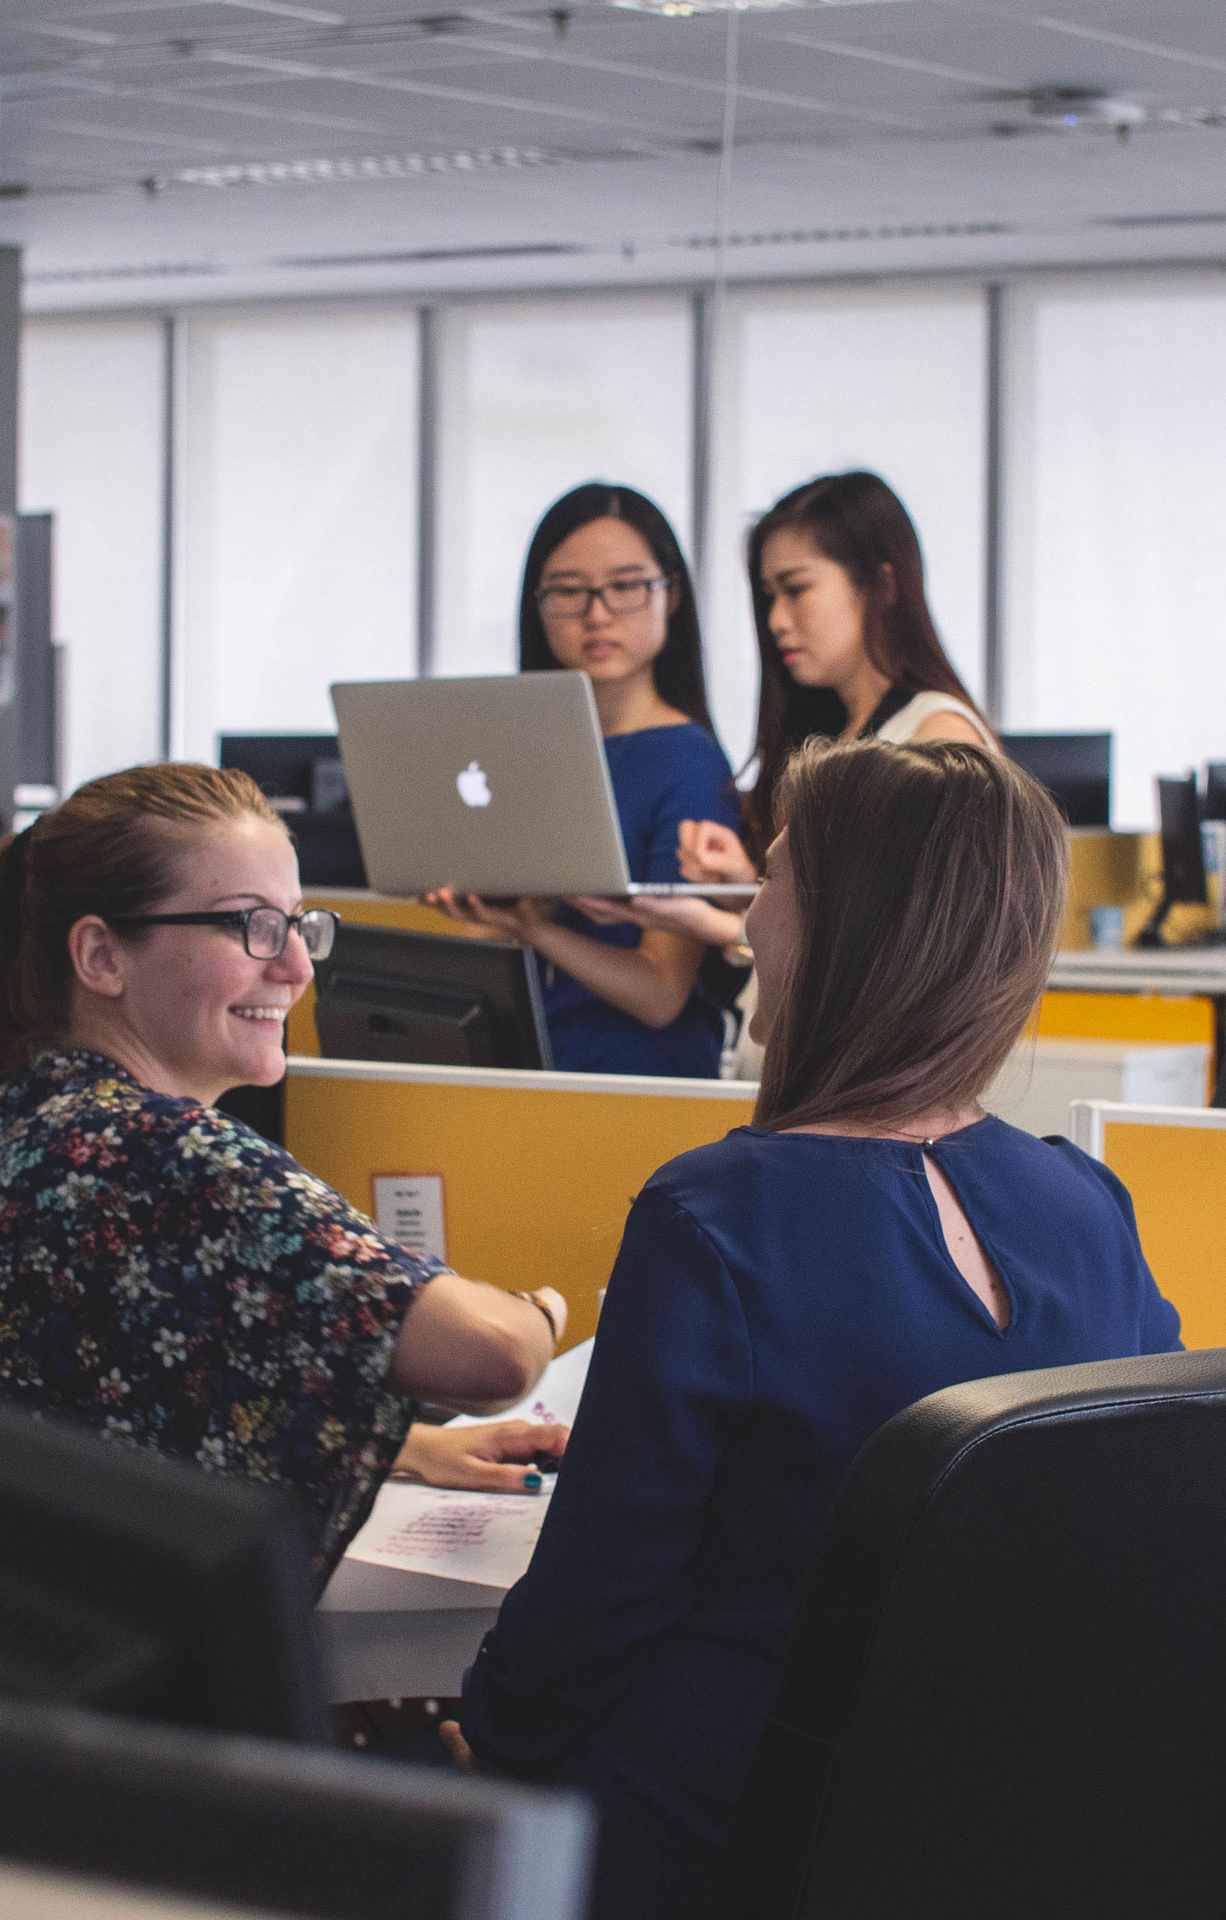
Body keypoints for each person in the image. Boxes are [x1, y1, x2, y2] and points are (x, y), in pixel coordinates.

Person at [445, 738, 1181, 1920]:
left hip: (723, 1823)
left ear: (839, 929)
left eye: (771, 881)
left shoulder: (715, 1219)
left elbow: (598, 1597)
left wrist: (491, 1734)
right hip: (1000, 1824)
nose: (746, 918)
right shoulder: (1083, 1206)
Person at [0, 763, 569, 1588]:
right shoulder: (166, 1155)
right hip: (139, 1699)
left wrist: (401, 1445)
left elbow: (98, 1403)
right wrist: (541, 1313)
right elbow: (494, 1360)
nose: (298, 969)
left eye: (299, 926)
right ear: (100, 955)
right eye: (250, 927)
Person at [596, 470, 998, 965]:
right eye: (769, 595)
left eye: (797, 589)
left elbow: (905, 958)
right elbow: (834, 917)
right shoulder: (839, 732)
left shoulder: (937, 738)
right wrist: (746, 886)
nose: (776, 620)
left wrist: (716, 923)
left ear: (880, 585)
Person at [428, 483, 740, 1079]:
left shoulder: (685, 758)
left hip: (631, 1085)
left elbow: (661, 993)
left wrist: (535, 930)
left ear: (670, 595)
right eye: (569, 592)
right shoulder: (524, 749)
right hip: (526, 1067)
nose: (597, 613)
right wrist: (492, 918)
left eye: (625, 586)